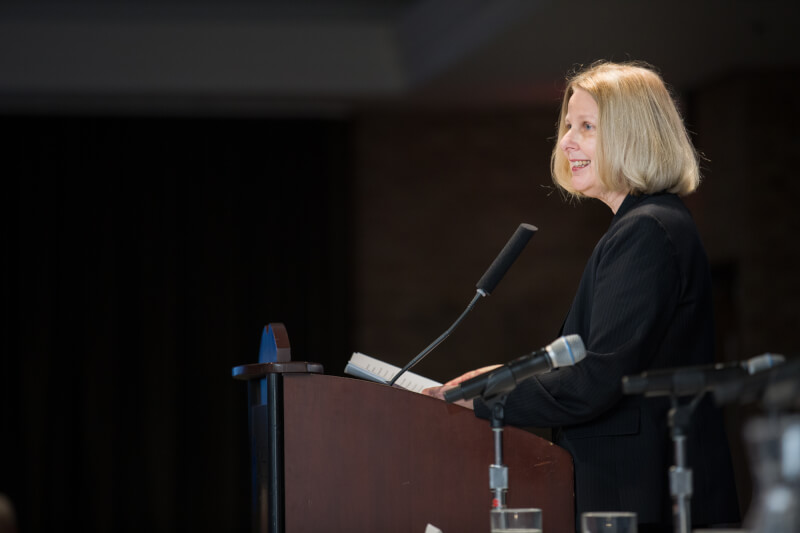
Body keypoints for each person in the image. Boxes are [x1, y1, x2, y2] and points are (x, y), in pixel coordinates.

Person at [423, 61, 740, 532]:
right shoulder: (644, 223)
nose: (567, 141)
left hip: (641, 493)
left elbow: (598, 378)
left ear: (634, 135)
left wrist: (486, 398)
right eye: (569, 125)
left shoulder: (646, 230)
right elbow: (597, 360)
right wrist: (502, 375)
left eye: (587, 127)